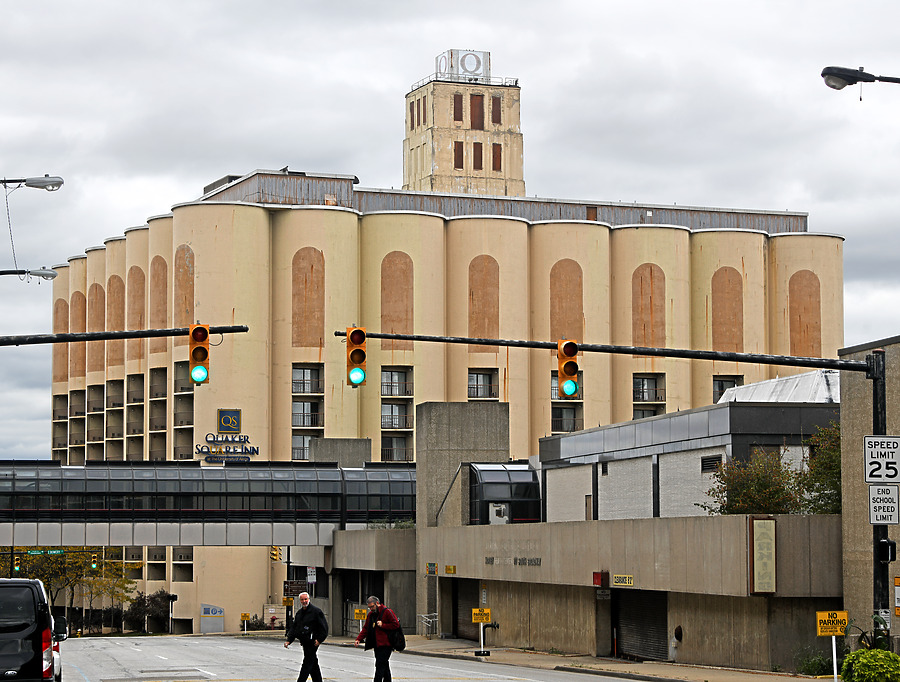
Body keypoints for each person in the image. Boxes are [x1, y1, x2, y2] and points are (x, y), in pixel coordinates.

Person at [284, 592, 328, 682]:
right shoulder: (299, 613)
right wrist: (289, 640)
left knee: (307, 663)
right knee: (313, 664)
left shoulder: (316, 612)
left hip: (313, 642)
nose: (304, 601)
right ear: (300, 601)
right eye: (302, 600)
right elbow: (294, 628)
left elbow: (324, 628)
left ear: (309, 599)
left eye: (305, 599)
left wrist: (319, 640)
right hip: (305, 642)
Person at [354, 595, 400, 682]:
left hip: (387, 644)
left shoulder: (387, 612)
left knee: (379, 666)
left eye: (372, 606)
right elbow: (366, 628)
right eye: (369, 607)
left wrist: (383, 625)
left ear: (377, 603)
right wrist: (358, 639)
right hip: (377, 645)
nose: (371, 609)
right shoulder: (371, 615)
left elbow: (396, 625)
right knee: (384, 665)